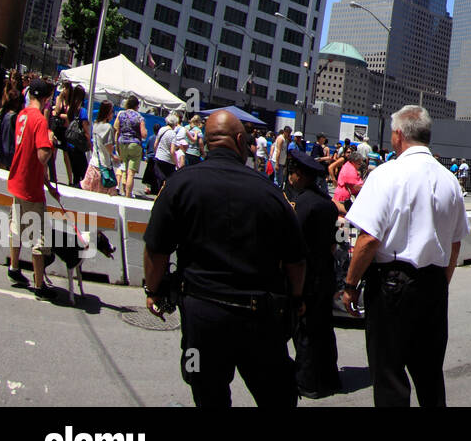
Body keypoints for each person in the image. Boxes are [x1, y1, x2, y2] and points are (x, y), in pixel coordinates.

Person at [143, 110, 306, 407]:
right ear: (241, 140)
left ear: (205, 143)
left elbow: (156, 249)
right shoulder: (271, 193)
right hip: (260, 317)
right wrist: (296, 301)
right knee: (279, 396)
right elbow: (296, 260)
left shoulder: (178, 185)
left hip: (200, 317)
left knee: (205, 390)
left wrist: (152, 291)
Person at [340, 106, 469, 407]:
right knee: (429, 375)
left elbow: (368, 239)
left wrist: (349, 285)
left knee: (389, 376)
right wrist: (441, 281)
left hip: (392, 286)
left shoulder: (386, 174)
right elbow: (455, 243)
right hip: (433, 285)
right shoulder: (450, 180)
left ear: (398, 135)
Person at [284, 147, 341, 399]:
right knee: (324, 327)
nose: (290, 178)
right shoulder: (326, 204)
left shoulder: (301, 205)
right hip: (325, 274)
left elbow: (291, 244)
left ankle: (308, 382)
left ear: (301, 175)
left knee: (304, 330)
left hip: (306, 276)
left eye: (293, 173)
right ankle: (330, 377)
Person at [6, 78, 60, 297]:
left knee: (15, 227)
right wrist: (50, 141)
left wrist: (49, 185)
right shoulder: (39, 121)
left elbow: (27, 152)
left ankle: (14, 267)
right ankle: (39, 285)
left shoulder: (23, 115)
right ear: (47, 99)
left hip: (18, 179)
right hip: (30, 187)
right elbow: (41, 156)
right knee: (40, 238)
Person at [114, 95, 147, 198]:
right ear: (137, 106)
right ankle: (128, 194)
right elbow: (144, 134)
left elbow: (117, 128)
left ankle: (123, 189)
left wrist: (117, 145)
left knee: (125, 168)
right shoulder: (139, 117)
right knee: (131, 173)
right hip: (134, 144)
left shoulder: (121, 114)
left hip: (122, 142)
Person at [89, 100, 119, 194]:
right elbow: (109, 147)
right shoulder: (108, 127)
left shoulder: (96, 124)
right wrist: (114, 156)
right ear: (108, 113)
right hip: (104, 168)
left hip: (93, 164)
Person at [152, 113, 180, 194]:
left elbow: (155, 144)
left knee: (160, 180)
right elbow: (172, 151)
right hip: (168, 161)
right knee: (168, 181)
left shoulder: (161, 129)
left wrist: (156, 153)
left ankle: (159, 195)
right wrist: (176, 163)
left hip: (159, 156)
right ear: (175, 123)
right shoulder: (173, 134)